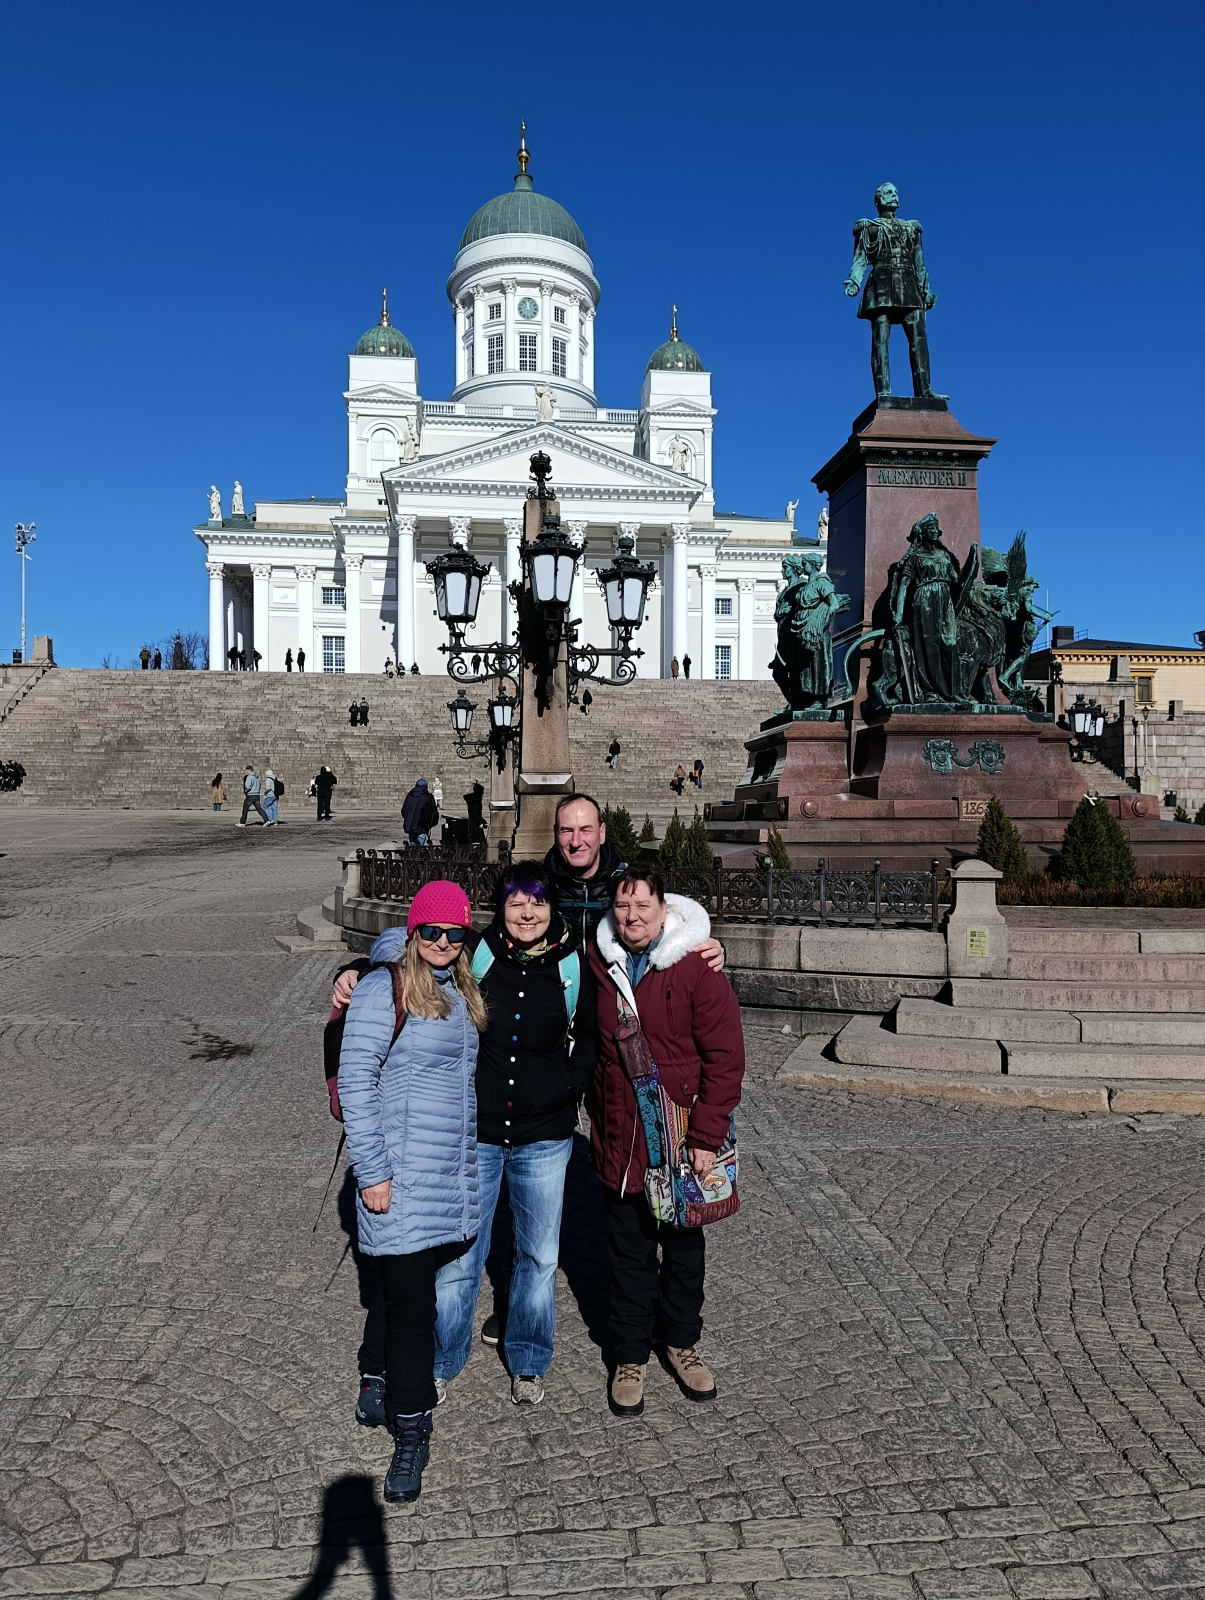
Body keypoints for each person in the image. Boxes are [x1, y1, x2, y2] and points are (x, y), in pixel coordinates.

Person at [338, 881, 487, 1503]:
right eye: (432, 931)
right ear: (414, 931)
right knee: (413, 1312)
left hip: (445, 1176)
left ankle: (374, 1380)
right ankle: (411, 1430)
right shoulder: (385, 989)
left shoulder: (459, 987)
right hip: (400, 1178)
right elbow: (355, 1081)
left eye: (456, 933)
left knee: (399, 1295)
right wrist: (373, 1173)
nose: (444, 942)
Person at [435, 862, 595, 1407]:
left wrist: (567, 1086)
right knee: (460, 1253)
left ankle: (528, 1357)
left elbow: (589, 1038)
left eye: (538, 902)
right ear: (500, 908)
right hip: (476, 1131)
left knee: (539, 1256)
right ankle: (442, 1358)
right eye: (516, 902)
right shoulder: (477, 955)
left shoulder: (572, 965)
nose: (528, 913)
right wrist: (356, 966)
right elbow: (415, 956)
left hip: (544, 1136)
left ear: (553, 908)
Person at [589, 868, 745, 1417]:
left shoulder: (695, 964)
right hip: (621, 1131)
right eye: (623, 906)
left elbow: (725, 1056)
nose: (632, 916)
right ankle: (630, 1354)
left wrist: (706, 1134)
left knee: (682, 1245)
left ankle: (681, 1342)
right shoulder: (599, 962)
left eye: (643, 906)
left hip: (679, 1132)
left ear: (663, 910)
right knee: (628, 1249)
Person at [545, 795, 725, 971]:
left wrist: (716, 948)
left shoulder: (631, 881)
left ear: (602, 833)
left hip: (617, 988)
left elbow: (675, 927)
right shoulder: (539, 885)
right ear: (555, 833)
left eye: (586, 830)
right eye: (566, 830)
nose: (576, 841)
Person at [401, 778, 439, 846]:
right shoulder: (428, 797)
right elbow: (433, 812)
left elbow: (404, 810)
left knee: (412, 844)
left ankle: (412, 851)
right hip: (422, 825)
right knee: (420, 845)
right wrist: (430, 823)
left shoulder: (410, 795)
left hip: (410, 825)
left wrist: (409, 819)